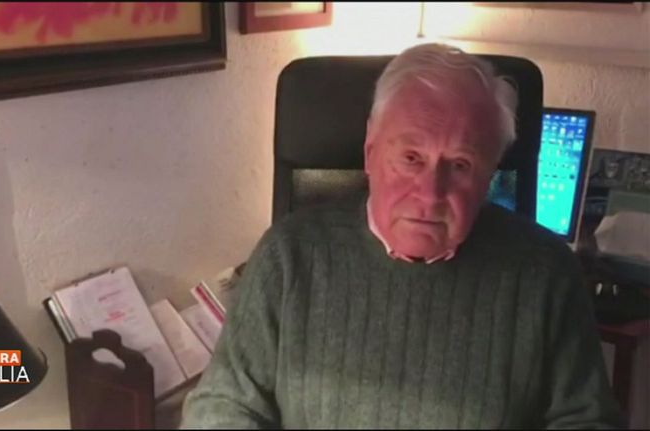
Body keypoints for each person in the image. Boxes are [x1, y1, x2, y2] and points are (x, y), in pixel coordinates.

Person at [181, 43, 622, 429]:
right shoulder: (288, 256)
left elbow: (588, 421)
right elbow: (223, 408)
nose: (430, 193)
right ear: (370, 152)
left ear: (489, 174)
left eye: (461, 165)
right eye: (411, 158)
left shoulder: (546, 274)